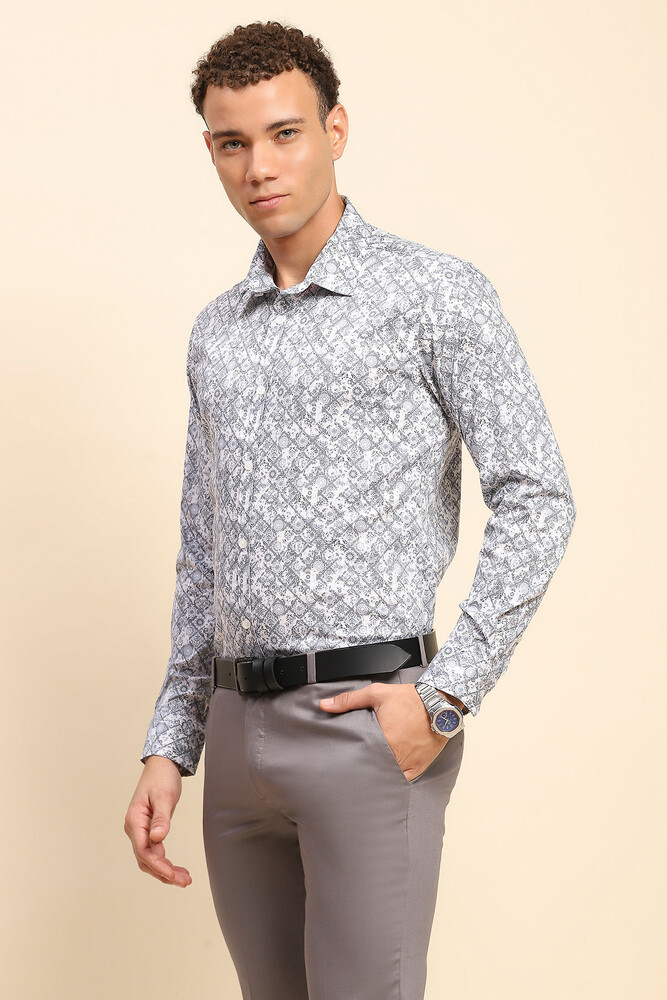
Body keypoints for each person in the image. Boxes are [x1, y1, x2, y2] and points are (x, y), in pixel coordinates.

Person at [124, 19, 577, 1000]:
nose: (259, 166)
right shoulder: (216, 333)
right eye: (232, 142)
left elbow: (538, 495)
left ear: (335, 129)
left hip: (366, 727)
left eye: (284, 133)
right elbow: (203, 551)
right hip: (236, 739)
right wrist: (172, 741)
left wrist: (443, 698)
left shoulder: (434, 296)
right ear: (210, 150)